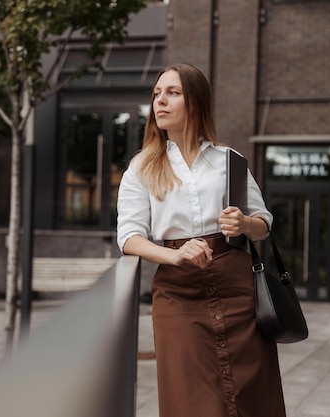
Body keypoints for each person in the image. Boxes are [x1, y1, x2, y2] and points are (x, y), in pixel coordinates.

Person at [116, 63, 287, 417]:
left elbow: (264, 223)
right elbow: (129, 237)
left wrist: (243, 223)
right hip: (177, 292)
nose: (160, 101)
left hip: (238, 289)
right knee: (190, 396)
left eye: (172, 93)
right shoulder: (142, 167)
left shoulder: (229, 161)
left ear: (195, 102)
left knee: (253, 394)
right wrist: (173, 257)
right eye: (157, 94)